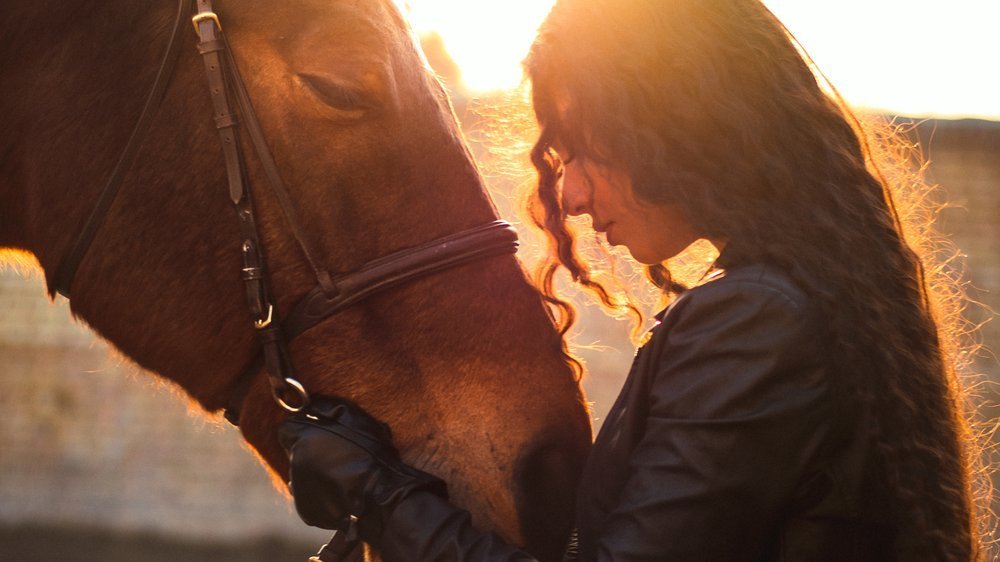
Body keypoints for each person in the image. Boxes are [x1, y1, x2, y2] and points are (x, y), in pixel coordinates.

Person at [278, 0, 984, 560]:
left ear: (678, 121)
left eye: (584, 148)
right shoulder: (798, 300)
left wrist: (375, 490)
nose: (571, 195)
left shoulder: (757, 323)